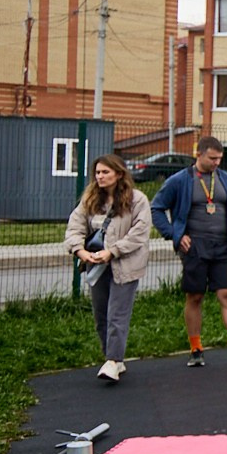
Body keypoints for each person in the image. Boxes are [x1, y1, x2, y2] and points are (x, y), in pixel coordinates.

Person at [150, 136, 227, 367]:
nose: (216, 163)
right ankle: (196, 348)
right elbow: (157, 208)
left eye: (219, 159)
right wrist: (175, 234)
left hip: (223, 246)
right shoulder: (180, 181)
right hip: (195, 247)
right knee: (195, 296)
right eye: (212, 158)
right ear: (199, 154)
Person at [62, 155, 153, 383]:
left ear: (119, 174)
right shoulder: (90, 199)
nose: (100, 177)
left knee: (117, 314)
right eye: (98, 172)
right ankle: (113, 358)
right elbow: (75, 225)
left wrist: (113, 251)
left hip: (126, 264)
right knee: (100, 314)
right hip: (96, 264)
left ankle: (112, 360)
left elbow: (139, 233)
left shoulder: (137, 200)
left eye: (105, 172)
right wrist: (80, 251)